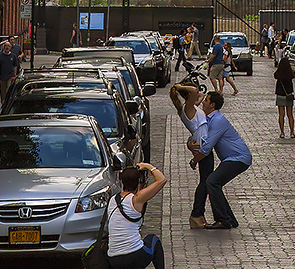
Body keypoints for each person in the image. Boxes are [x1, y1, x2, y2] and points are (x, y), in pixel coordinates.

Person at [188, 91, 252, 231]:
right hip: (231, 159)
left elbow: (206, 148)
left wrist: (194, 160)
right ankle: (229, 219)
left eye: (206, 100)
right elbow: (198, 132)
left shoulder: (218, 120)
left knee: (212, 182)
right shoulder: (209, 118)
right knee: (214, 184)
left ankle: (222, 220)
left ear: (213, 105)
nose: (203, 102)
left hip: (238, 158)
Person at [106, 162, 166, 269]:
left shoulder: (112, 200)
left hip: (113, 258)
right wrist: (148, 166)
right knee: (153, 240)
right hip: (133, 256)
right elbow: (162, 180)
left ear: (121, 181)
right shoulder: (136, 199)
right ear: (139, 181)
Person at [170, 82, 215, 227]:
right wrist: (179, 87)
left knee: (206, 180)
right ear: (189, 95)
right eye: (193, 90)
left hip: (202, 144)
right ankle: (196, 214)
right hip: (202, 146)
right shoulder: (186, 108)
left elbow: (199, 94)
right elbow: (196, 92)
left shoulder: (191, 107)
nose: (197, 91)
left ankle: (199, 214)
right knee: (205, 182)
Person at [274, 53, 295, 137]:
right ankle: (292, 132)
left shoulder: (278, 74)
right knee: (290, 115)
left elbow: (275, 75)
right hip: (288, 95)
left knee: (281, 115)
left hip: (280, 95)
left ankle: (282, 132)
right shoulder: (290, 74)